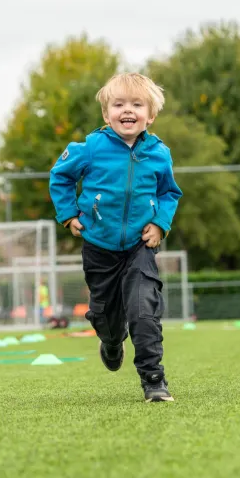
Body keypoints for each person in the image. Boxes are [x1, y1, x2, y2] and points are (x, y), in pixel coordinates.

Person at [49, 71, 182, 402]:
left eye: (137, 104)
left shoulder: (159, 154)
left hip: (139, 247)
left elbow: (170, 193)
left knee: (143, 309)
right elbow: (59, 177)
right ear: (107, 113)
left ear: (150, 115)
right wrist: (67, 215)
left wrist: (160, 224)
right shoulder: (91, 148)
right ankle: (110, 340)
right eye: (119, 104)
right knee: (106, 317)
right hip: (99, 247)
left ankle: (154, 380)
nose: (127, 110)